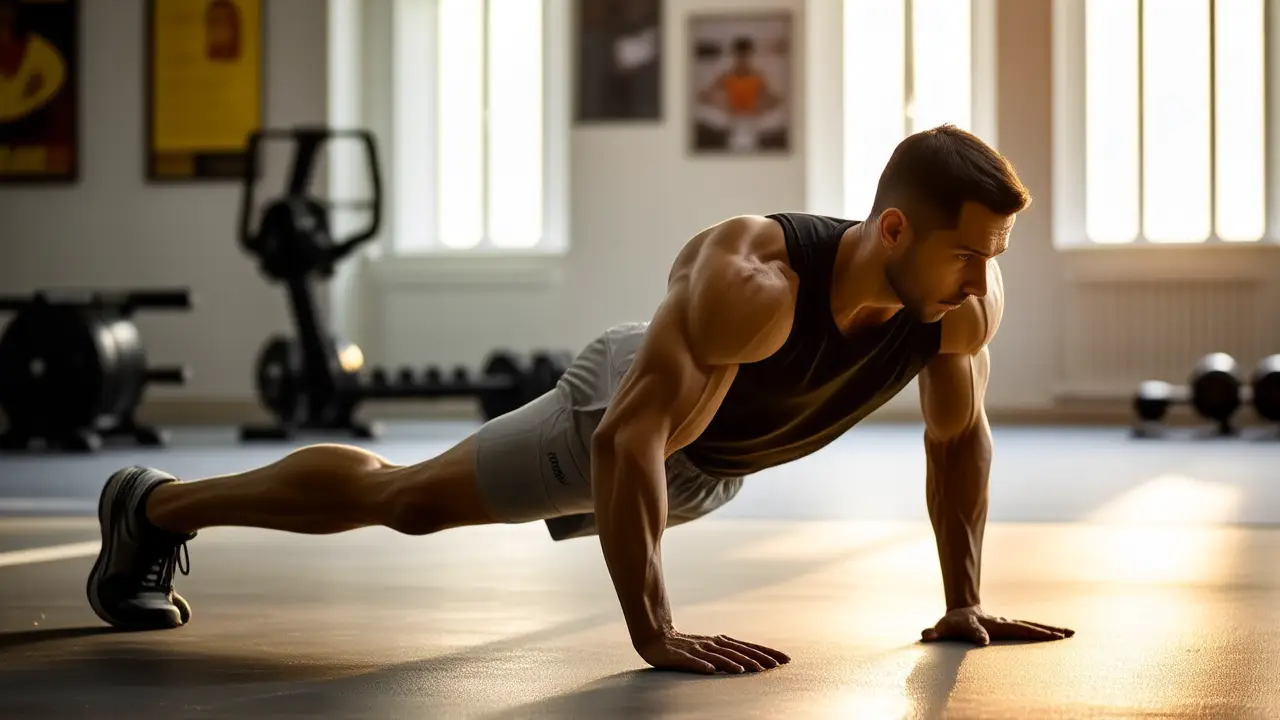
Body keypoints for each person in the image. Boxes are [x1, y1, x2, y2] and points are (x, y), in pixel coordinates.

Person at [86, 125, 1075, 676]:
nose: (979, 283)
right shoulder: (757, 282)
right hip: (629, 412)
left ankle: (156, 506)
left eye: (991, 258)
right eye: (965, 254)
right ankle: (155, 506)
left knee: (429, 498)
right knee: (410, 501)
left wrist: (962, 602)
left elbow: (955, 442)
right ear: (895, 229)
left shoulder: (953, 307)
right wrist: (652, 630)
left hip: (704, 469)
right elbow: (628, 440)